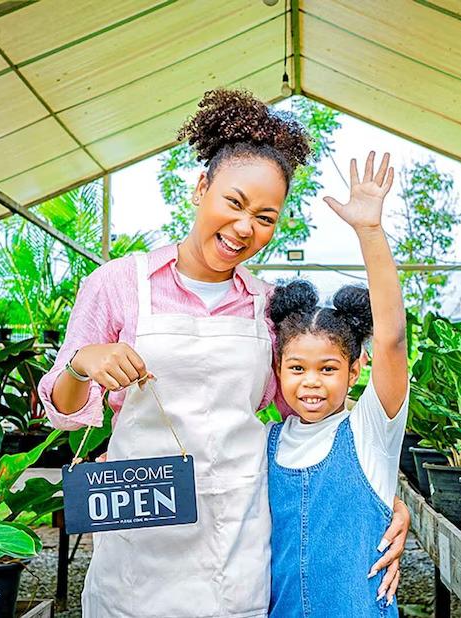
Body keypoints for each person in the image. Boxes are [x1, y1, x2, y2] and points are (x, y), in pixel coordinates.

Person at [38, 90, 409, 617]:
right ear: (201, 187)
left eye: (265, 216)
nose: (244, 229)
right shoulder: (119, 284)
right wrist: (83, 363)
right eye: (234, 203)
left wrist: (381, 503)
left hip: (239, 542)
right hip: (141, 538)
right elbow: (64, 407)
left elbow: (310, 419)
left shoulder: (269, 306)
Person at [265, 152, 408, 616]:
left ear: (355, 369)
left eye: (328, 369)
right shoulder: (264, 442)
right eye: (296, 368)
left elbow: (391, 340)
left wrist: (369, 231)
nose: (311, 383)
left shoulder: (371, 432)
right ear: (278, 368)